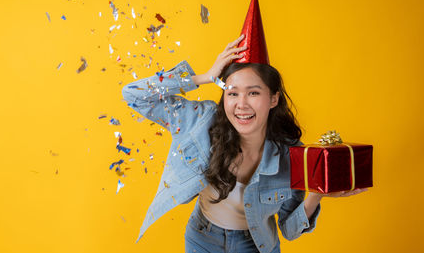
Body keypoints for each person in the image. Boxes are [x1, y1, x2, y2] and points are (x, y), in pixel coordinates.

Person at [122, 34, 367, 253]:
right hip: (202, 239)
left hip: (256, 245)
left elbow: (290, 230)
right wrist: (204, 77)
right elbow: (133, 95)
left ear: (273, 99)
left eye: (253, 93)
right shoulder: (200, 121)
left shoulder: (290, 154)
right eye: (232, 93)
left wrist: (315, 195)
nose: (241, 104)